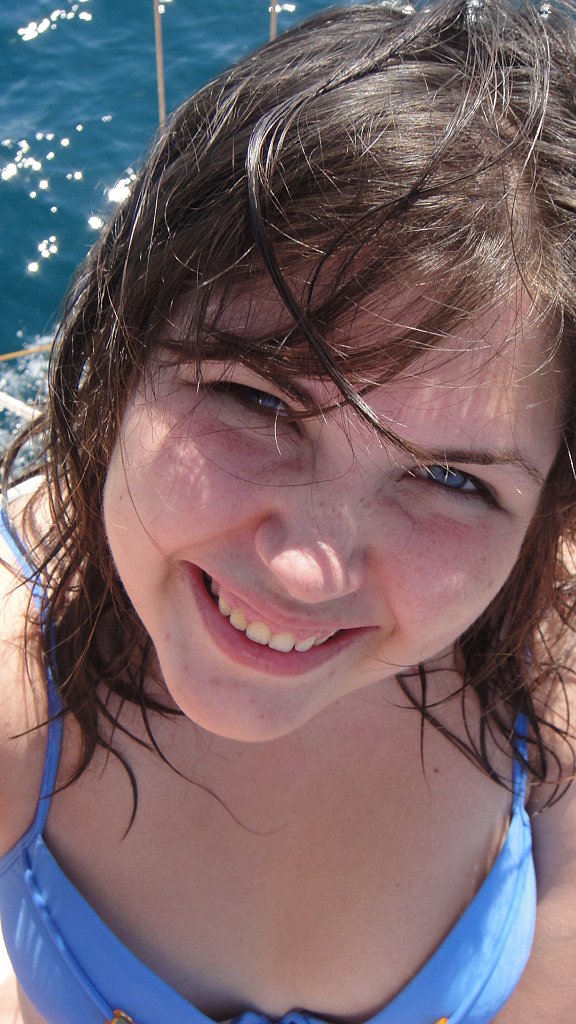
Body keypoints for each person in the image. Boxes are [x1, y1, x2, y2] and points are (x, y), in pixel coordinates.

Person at [0, 0, 575, 1021]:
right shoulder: (19, 667)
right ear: (122, 351)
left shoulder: (550, 677)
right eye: (254, 400)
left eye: (454, 481)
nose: (307, 569)